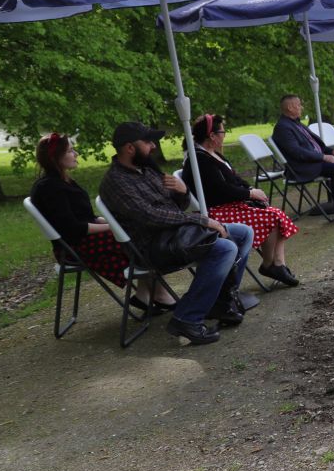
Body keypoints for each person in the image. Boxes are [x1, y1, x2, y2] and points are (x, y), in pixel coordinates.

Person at [99, 121, 254, 345]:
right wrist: (201, 220)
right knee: (224, 248)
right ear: (129, 148)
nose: (153, 146)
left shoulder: (146, 170)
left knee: (243, 233)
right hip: (152, 247)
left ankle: (220, 303)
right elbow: (151, 216)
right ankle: (187, 318)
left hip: (174, 235)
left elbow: (173, 209)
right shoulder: (116, 182)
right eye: (148, 142)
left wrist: (183, 192)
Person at [29, 132, 172, 312]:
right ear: (55, 157)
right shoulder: (50, 188)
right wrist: (113, 227)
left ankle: (145, 295)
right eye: (70, 151)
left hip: (83, 238)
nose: (76, 154)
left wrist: (115, 222)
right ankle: (157, 295)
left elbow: (86, 216)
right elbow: (72, 228)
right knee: (137, 240)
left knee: (137, 233)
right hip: (73, 246)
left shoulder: (64, 181)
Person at [183, 113, 300, 287]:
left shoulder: (213, 155)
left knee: (277, 215)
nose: (224, 135)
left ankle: (278, 263)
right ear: (212, 136)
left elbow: (234, 179)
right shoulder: (199, 159)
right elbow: (220, 190)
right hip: (215, 211)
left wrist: (250, 189)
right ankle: (270, 265)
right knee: (271, 217)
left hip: (230, 205)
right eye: (222, 132)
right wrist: (250, 195)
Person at [272, 94, 334, 221]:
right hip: (302, 167)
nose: (302, 107)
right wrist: (323, 157)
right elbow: (297, 152)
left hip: (314, 161)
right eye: (299, 104)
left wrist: (332, 151)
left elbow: (315, 146)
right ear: (290, 107)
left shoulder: (297, 123)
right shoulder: (283, 127)